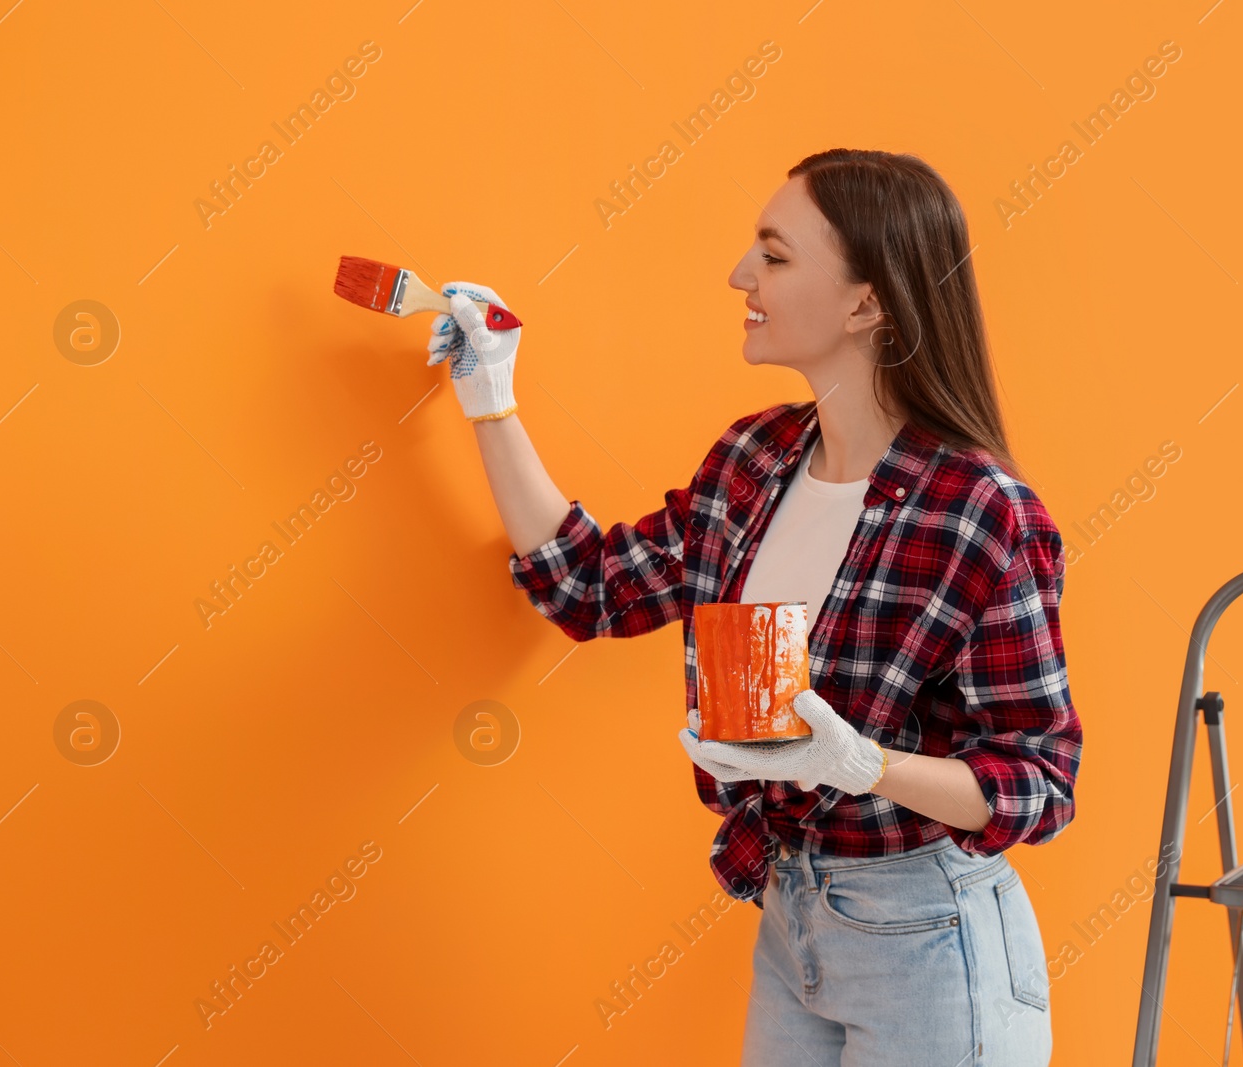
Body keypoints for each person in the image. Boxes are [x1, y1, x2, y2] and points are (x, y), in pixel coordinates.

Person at [433, 148, 1081, 1066]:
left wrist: (863, 764)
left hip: (932, 938)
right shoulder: (754, 461)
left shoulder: (980, 512)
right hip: (793, 919)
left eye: (774, 256)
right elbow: (591, 587)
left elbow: (1041, 781)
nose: (741, 274)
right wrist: (491, 397)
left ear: (867, 302)